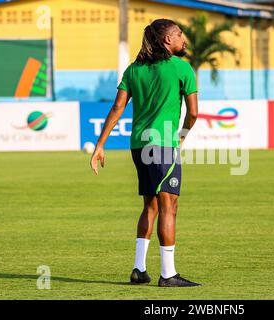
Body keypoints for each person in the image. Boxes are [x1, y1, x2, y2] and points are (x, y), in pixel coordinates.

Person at [90, 19, 200, 287]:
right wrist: (182, 136)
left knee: (150, 206)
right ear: (167, 41)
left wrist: (100, 145)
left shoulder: (134, 69)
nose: (183, 38)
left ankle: (139, 269)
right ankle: (168, 274)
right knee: (168, 207)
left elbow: (117, 108)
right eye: (179, 34)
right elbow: (194, 113)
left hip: (138, 146)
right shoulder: (182, 68)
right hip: (162, 146)